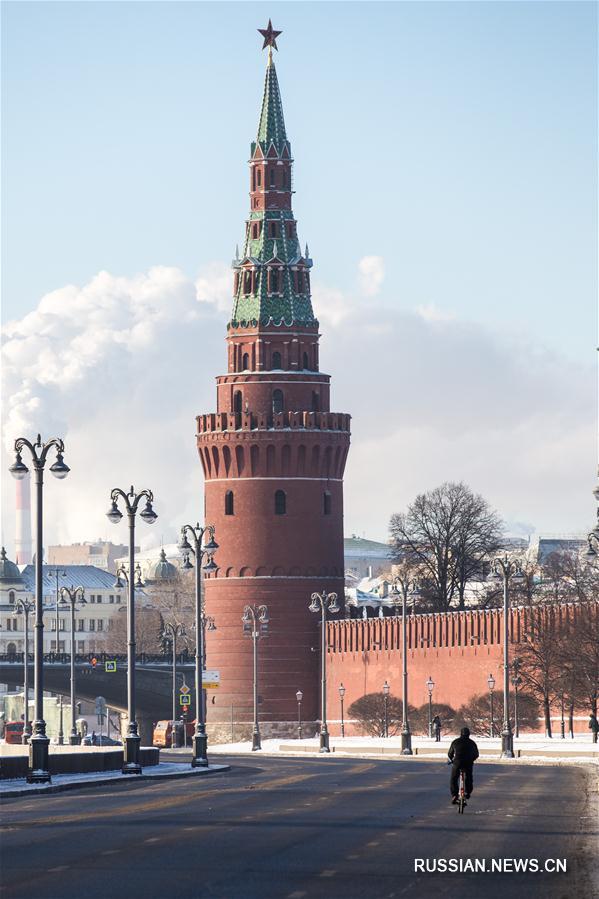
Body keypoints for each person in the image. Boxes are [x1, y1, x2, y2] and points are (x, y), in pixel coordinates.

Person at [448, 727, 479, 804]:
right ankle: (468, 792)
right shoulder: (472, 743)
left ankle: (454, 794)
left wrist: (451, 760)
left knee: (454, 779)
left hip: (457, 763)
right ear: (469, 734)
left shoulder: (455, 742)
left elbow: (450, 754)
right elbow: (476, 754)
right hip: (468, 763)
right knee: (469, 777)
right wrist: (472, 759)